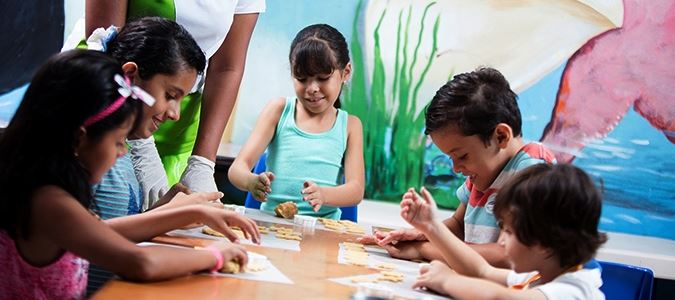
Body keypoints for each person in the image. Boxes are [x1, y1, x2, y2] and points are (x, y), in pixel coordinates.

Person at [0, 50, 251, 299]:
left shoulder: (37, 186)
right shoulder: (49, 201)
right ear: (79, 138)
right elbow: (142, 263)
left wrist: (190, 212)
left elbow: (104, 231)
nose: (122, 153)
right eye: (119, 141)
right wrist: (214, 256)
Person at [87, 17, 261, 293]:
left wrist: (165, 209)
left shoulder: (122, 147)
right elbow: (92, 238)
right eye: (170, 95)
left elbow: (109, 227)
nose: (175, 114)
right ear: (131, 76)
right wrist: (191, 225)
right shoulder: (90, 148)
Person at [359, 67, 556, 267]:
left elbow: (507, 256)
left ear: (501, 136)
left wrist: (423, 249)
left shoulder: (534, 170)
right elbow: (458, 225)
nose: (456, 168)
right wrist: (423, 233)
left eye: (462, 156)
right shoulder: (482, 173)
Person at [85, 0, 265, 194]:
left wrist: (202, 163)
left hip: (172, 118)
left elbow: (227, 67)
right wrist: (138, 140)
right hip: (110, 101)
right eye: (171, 97)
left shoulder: (175, 108)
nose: (175, 114)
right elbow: (111, 42)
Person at [402, 163, 607, 299]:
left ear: (544, 243)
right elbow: (482, 271)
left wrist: (447, 280)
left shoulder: (573, 291)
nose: (501, 241)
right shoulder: (538, 276)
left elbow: (502, 298)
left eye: (508, 232)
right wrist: (432, 227)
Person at [228, 24, 365, 219]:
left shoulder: (350, 126)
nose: (312, 88)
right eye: (302, 78)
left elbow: (356, 190)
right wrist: (251, 182)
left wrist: (325, 195)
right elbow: (237, 169)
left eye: (323, 78)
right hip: (273, 227)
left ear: (345, 72)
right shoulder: (279, 111)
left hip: (322, 233)